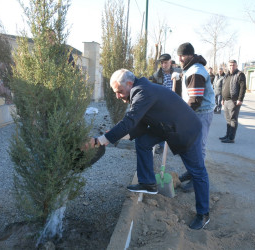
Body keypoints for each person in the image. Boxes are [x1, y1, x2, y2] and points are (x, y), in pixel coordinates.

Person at [87, 69, 210, 230]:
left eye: (119, 92)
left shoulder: (143, 92)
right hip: (167, 126)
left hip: (186, 129)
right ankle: (148, 183)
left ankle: (203, 214)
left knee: (197, 172)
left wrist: (100, 140)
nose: (118, 96)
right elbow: (141, 125)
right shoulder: (140, 90)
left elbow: (129, 122)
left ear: (129, 84)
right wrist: (113, 136)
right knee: (143, 141)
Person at [175, 42, 215, 193]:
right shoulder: (191, 69)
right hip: (199, 112)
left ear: (190, 55)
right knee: (192, 145)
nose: (180, 59)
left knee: (198, 146)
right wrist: (179, 75)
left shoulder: (196, 72)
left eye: (182, 56)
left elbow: (195, 100)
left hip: (201, 113)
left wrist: (182, 116)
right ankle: (192, 172)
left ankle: (196, 179)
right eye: (179, 55)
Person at [150, 53, 182, 154]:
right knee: (162, 125)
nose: (164, 65)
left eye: (166, 63)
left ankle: (176, 145)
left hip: (174, 102)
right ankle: (162, 145)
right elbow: (153, 90)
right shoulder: (157, 75)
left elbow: (182, 86)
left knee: (173, 125)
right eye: (162, 63)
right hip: (162, 103)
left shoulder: (177, 72)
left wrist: (180, 76)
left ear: (170, 62)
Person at [219, 60, 246, 143]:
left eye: (233, 65)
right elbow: (224, 87)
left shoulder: (239, 74)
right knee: (228, 119)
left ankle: (231, 138)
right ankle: (227, 135)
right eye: (230, 65)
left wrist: (240, 99)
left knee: (233, 119)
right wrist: (223, 99)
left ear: (236, 66)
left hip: (233, 101)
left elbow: (243, 88)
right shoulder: (227, 75)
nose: (232, 67)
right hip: (226, 100)